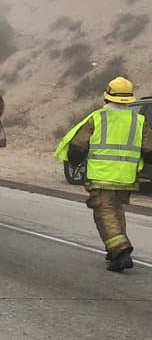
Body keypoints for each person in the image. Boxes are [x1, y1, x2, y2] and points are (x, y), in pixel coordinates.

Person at [56, 77, 152, 272]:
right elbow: (149, 151)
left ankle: (121, 250)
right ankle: (114, 250)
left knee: (104, 212)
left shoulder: (97, 118)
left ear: (107, 98)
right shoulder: (139, 121)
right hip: (126, 178)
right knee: (116, 210)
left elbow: (77, 149)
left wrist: (76, 162)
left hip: (102, 176)